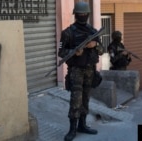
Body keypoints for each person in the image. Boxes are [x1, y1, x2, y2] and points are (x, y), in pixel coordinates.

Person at [58, 2, 103, 141]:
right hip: (76, 71)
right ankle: (72, 129)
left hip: (90, 70)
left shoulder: (93, 32)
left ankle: (82, 125)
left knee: (85, 99)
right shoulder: (67, 33)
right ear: (75, 15)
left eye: (85, 14)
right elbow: (61, 52)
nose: (82, 16)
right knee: (75, 101)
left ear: (88, 15)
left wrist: (95, 44)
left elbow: (101, 50)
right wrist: (73, 52)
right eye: (80, 14)